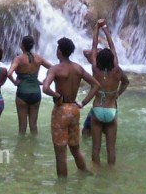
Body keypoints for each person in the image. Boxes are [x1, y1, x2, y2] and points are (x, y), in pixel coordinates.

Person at [42, 37, 100, 178]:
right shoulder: (78, 68)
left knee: (60, 154)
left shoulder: (55, 69)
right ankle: (85, 174)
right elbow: (96, 85)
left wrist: (56, 95)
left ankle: (62, 185)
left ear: (59, 52)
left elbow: (45, 88)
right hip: (74, 109)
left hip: (61, 110)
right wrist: (83, 103)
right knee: (75, 148)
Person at [87, 18, 129, 167]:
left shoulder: (95, 70)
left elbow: (94, 47)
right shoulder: (117, 71)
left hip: (98, 109)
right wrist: (117, 94)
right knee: (111, 148)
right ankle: (111, 171)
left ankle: (96, 170)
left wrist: (96, 28)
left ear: (98, 59)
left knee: (96, 148)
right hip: (111, 110)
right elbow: (126, 82)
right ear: (112, 60)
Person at [7, 35, 53, 134]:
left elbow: (9, 73)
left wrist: (15, 82)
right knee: (33, 125)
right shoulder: (39, 58)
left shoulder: (18, 59)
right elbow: (53, 68)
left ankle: (22, 144)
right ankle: (33, 143)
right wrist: (45, 81)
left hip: (22, 93)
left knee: (22, 126)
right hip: (36, 92)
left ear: (22, 45)